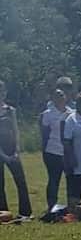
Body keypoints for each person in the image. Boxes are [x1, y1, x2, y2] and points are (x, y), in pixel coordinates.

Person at [0, 80, 32, 219]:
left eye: (2, 91)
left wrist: (16, 150)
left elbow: (15, 130)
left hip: (11, 149)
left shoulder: (10, 110)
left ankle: (25, 213)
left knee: (21, 181)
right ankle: (3, 213)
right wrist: (3, 155)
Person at [39, 89, 71, 211]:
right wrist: (44, 151)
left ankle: (71, 204)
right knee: (54, 179)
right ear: (52, 99)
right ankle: (51, 206)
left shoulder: (71, 113)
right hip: (53, 151)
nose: (60, 98)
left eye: (62, 95)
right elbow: (44, 134)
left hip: (68, 152)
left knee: (71, 179)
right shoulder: (47, 114)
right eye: (56, 96)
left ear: (66, 97)